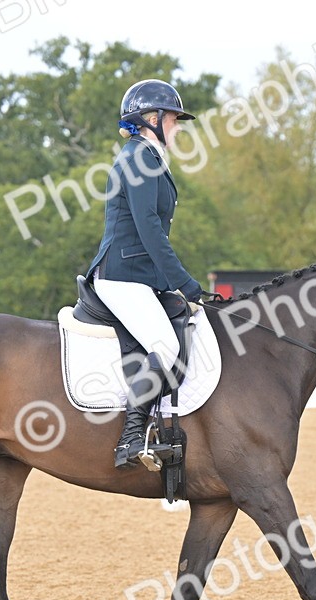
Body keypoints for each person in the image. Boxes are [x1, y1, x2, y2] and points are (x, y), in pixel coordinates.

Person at [85, 79, 203, 470]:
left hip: (140, 276)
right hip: (122, 276)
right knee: (166, 347)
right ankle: (131, 438)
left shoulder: (148, 157)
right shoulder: (138, 159)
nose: (178, 127)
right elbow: (149, 227)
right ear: (151, 119)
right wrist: (184, 283)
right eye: (173, 119)